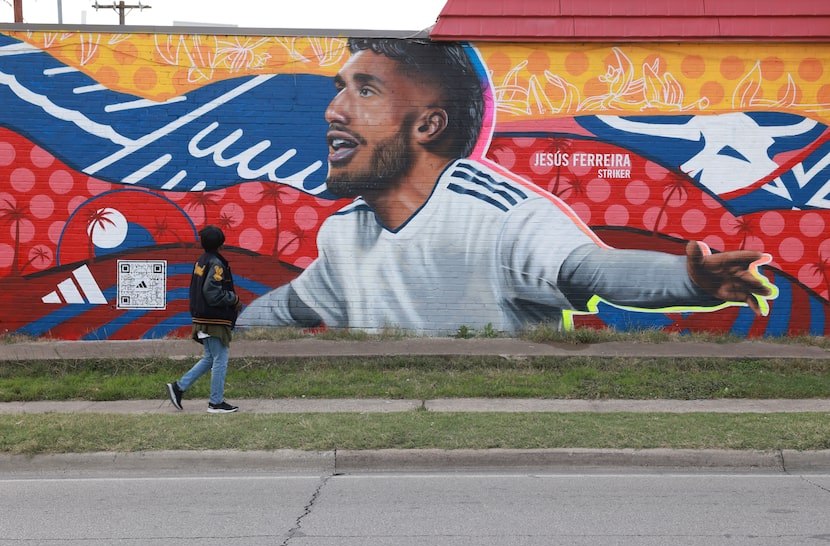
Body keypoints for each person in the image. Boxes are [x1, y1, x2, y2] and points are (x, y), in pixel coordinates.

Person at [237, 38, 774, 335]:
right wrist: (221, 328)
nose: (334, 110)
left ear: (428, 125)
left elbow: (592, 270)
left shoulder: (498, 214)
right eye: (340, 90)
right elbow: (288, 310)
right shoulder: (345, 232)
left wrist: (689, 279)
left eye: (366, 91)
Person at [167, 225, 242, 413]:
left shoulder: (201, 261)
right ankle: (216, 402)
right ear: (221, 244)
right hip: (214, 320)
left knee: (211, 357)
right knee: (220, 359)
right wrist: (234, 299)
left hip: (202, 317)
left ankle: (179, 387)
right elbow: (212, 293)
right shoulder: (216, 264)